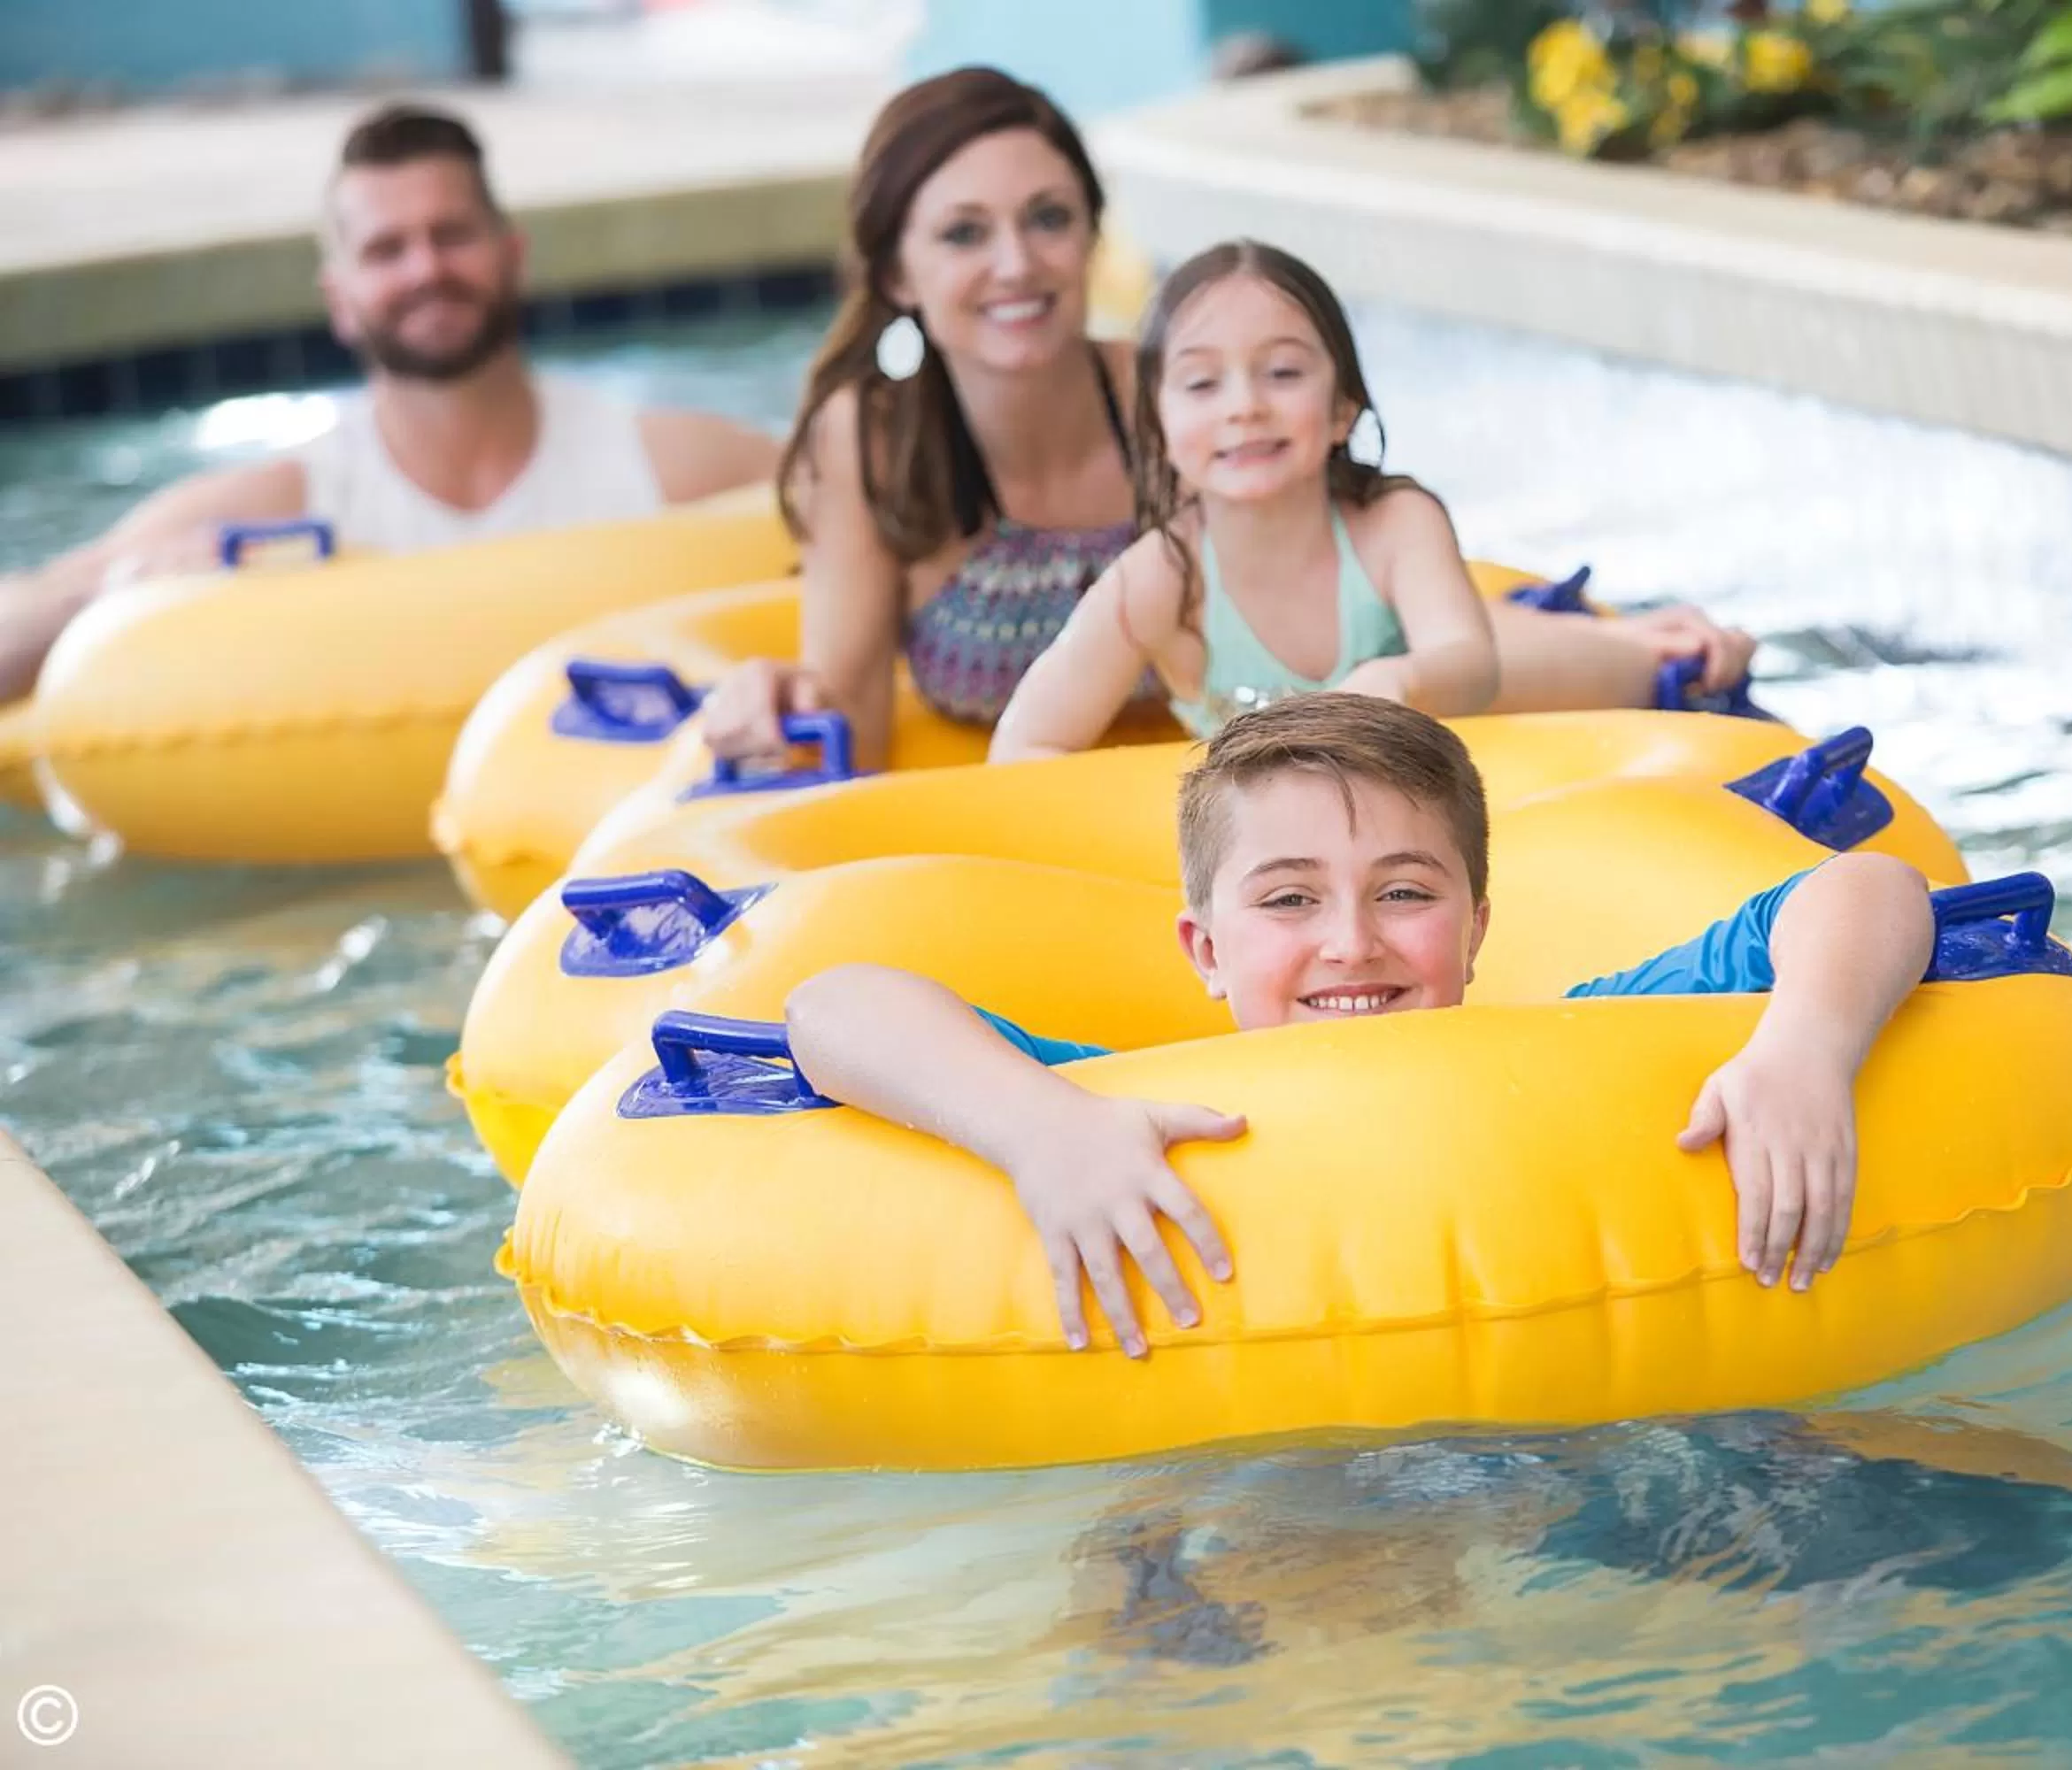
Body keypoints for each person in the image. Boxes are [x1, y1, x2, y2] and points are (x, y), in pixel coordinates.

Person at [789, 693, 1937, 1359]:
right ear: (1205, 950)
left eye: (1405, 892)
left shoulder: (1577, 1050)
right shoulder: (1124, 1111)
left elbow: (1873, 888)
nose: (1352, 943)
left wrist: (1805, 1047)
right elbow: (828, 1008)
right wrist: (1038, 1132)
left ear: (1477, 925)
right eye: (1289, 900)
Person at [697, 66, 1757, 773]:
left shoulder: (1180, 396)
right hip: (1148, 774)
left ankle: (1654, 660)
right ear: (894, 269)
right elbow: (853, 725)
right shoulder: (873, 443)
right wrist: (775, 699)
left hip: (1293, 711)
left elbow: (1359, 590)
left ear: (1090, 236)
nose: (1016, 263)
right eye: (965, 233)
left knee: (1453, 660)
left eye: (1048, 218)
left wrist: (1595, 647)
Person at [0, 102, 779, 705]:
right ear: (340, 299)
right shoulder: (284, 505)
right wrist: (118, 591)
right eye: (386, 249)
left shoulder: (666, 465)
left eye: (452, 234)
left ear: (513, 256)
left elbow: (873, 517)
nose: (426, 269)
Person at [991, 240, 1498, 758]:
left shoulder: (1394, 526)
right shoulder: (1162, 577)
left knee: (1568, 661)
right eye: (1203, 382)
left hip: (1428, 752)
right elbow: (1028, 740)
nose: (1244, 406)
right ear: (1158, 428)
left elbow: (1476, 669)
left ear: (1344, 407)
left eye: (1283, 373)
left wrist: (1401, 679)